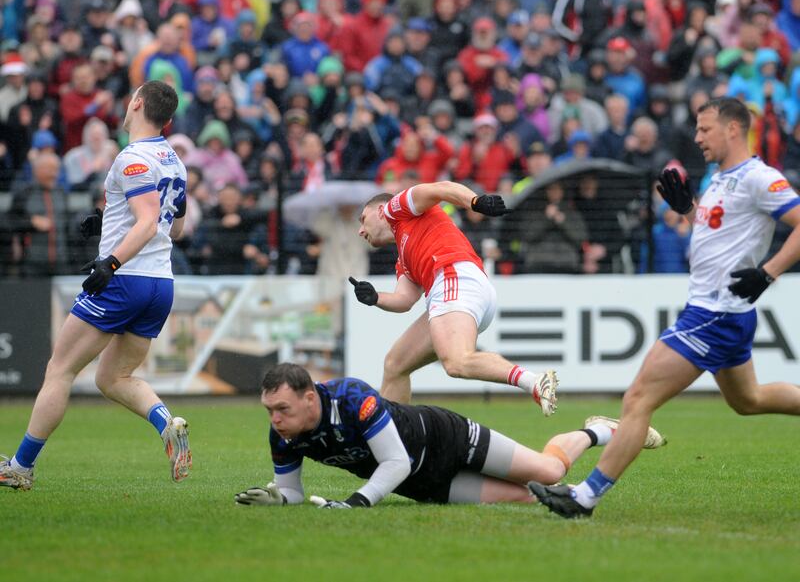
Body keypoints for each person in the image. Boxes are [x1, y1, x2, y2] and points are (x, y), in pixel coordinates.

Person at [530, 97, 800, 518]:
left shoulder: (759, 178)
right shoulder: (721, 178)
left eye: (705, 128)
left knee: (638, 398)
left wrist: (768, 273)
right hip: (720, 313)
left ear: (733, 129)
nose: (697, 137)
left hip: (714, 315)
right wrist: (689, 210)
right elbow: (717, 235)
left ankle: (585, 497)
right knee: (748, 400)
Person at [0, 81, 192, 491]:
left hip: (126, 280)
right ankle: (166, 424)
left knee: (60, 369)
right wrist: (106, 223)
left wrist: (111, 262)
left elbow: (145, 221)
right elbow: (172, 224)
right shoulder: (174, 160)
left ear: (137, 103)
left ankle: (21, 467)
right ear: (169, 119)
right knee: (113, 377)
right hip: (161, 283)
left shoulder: (132, 157)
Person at [233, 364, 666, 508]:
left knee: (550, 469)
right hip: (427, 486)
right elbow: (291, 490)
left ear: (311, 398)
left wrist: (357, 502)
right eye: (270, 411)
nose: (275, 419)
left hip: (450, 438)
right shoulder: (285, 436)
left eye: (283, 409)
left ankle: (595, 430)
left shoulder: (352, 397)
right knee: (540, 495)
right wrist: (277, 497)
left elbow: (395, 462)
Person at [350, 181, 558, 413]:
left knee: (456, 362)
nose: (360, 230)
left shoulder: (394, 209)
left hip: (454, 278)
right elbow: (405, 299)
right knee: (395, 364)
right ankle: (394, 442)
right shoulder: (404, 257)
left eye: (362, 219)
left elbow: (440, 188)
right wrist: (375, 297)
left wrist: (475, 202)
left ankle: (533, 381)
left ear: (380, 210)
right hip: (459, 287)